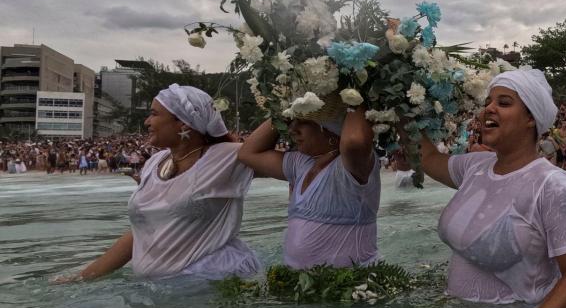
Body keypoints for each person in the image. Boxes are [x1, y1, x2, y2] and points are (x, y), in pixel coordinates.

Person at [415, 68, 566, 308]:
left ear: (531, 119)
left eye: (503, 102)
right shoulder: (475, 166)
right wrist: (399, 107)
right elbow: (426, 158)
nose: (489, 108)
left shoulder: (552, 185)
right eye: (488, 101)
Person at [58, 84, 261, 281]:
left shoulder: (226, 157)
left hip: (210, 281)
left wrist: (286, 104)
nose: (147, 121)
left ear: (183, 123)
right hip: (162, 291)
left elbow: (287, 164)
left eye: (154, 114)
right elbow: (145, 230)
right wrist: (82, 277)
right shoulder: (155, 162)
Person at [238, 95, 381, 269]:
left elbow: (354, 141)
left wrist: (353, 90)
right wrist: (285, 109)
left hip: (353, 286)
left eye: (303, 122)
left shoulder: (352, 166)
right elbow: (248, 153)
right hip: (299, 283)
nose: (292, 129)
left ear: (331, 131)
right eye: (292, 121)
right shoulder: (300, 164)